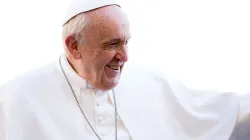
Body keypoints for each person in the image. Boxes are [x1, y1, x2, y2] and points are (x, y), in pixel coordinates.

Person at [0, 0, 249, 140]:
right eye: (112, 44)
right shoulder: (17, 97)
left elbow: (221, 113)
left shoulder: (149, 82)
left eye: (126, 41)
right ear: (74, 46)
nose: (125, 56)